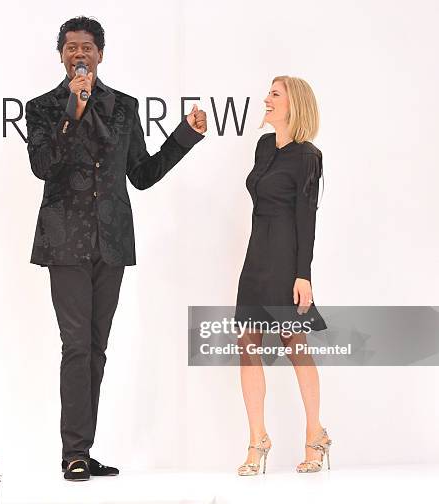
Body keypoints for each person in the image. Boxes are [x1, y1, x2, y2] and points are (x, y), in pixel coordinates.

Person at [24, 16, 207, 481]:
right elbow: (43, 166)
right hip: (64, 241)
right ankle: (74, 453)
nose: (79, 54)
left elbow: (142, 175)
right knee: (76, 346)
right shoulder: (44, 108)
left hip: (112, 242)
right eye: (70, 47)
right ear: (61, 55)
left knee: (98, 348)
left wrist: (186, 136)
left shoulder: (124, 107)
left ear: (100, 54)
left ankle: (84, 449)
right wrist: (74, 112)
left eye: (87, 47)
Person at [234, 76, 331, 476]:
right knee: (247, 345)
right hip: (256, 255)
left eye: (275, 94)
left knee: (295, 345)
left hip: (285, 257)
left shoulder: (308, 155)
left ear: (294, 104)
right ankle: (258, 438)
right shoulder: (262, 147)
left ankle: (315, 434)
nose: (267, 99)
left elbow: (306, 217)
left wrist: (302, 275)